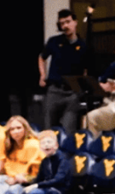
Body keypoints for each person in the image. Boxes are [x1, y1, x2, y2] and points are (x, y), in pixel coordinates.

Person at [38, 8, 89, 138]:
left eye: (68, 22)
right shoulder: (54, 41)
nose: (65, 26)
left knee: (69, 129)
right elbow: (42, 57)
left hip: (72, 92)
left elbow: (86, 69)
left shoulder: (83, 45)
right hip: (54, 89)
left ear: (75, 22)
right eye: (62, 23)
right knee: (48, 127)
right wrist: (43, 75)